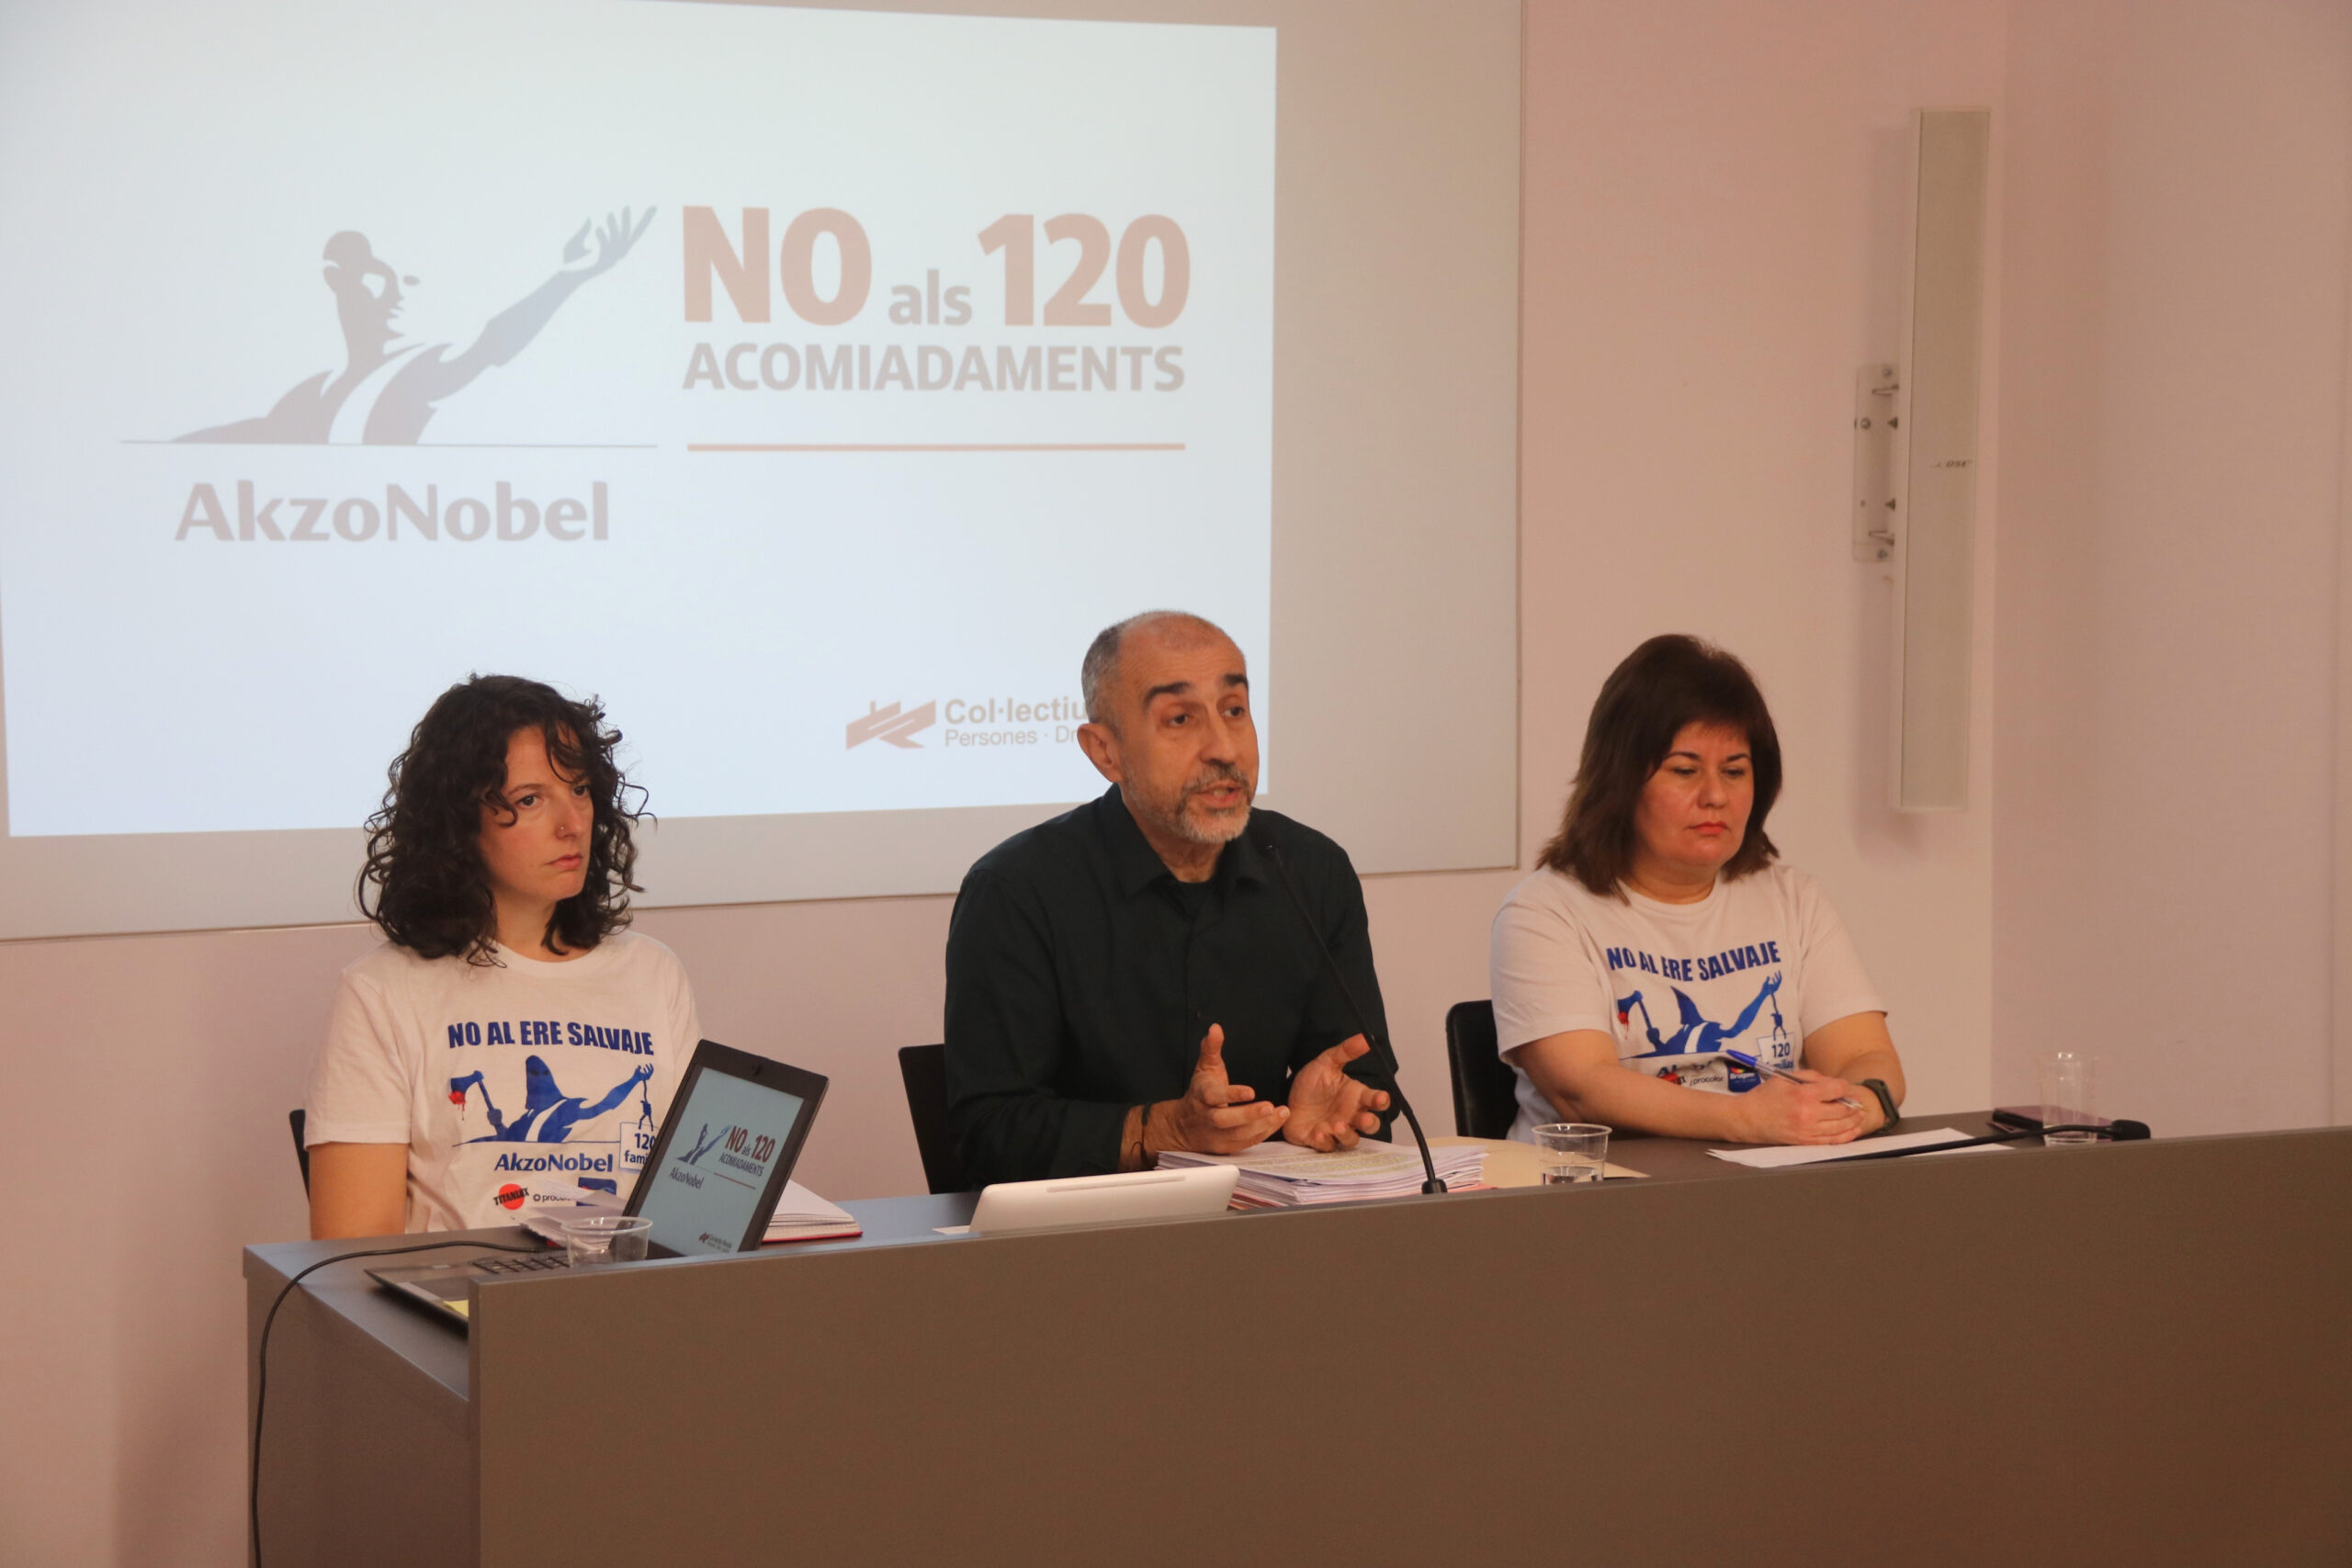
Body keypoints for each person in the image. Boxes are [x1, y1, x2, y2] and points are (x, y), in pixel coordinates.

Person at [944, 611, 1396, 1185]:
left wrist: (1324, 1115)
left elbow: (1363, 1081)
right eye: (1180, 719)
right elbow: (988, 1133)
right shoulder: (1016, 891)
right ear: (1105, 752)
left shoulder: (1310, 870)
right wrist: (1162, 1132)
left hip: (1262, 1221)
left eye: (1234, 710)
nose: (1223, 748)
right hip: (1085, 1229)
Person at [303, 675, 699, 1237]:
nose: (572, 824)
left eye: (580, 789)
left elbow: (692, 1211)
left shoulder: (654, 973)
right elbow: (353, 1254)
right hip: (465, 1292)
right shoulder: (382, 991)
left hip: (629, 1283)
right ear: (459, 824)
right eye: (530, 800)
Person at [1490, 635, 1905, 1145]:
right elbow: (1582, 1088)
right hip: (1597, 1186)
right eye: (1685, 771)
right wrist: (1748, 1120)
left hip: (1766, 1181)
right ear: (1620, 780)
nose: (1715, 796)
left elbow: (1866, 1056)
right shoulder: (1544, 912)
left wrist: (1860, 1106)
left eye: (1734, 772)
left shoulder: (1793, 898)